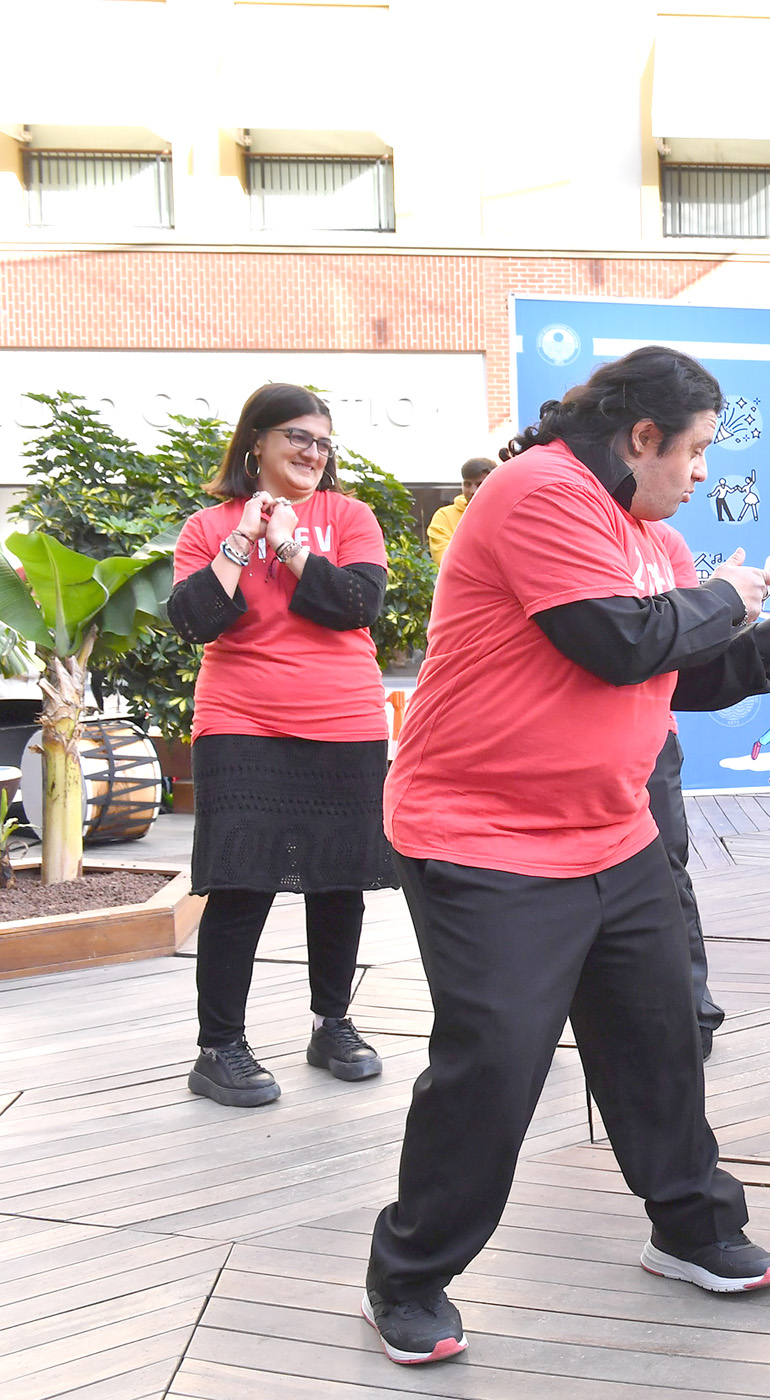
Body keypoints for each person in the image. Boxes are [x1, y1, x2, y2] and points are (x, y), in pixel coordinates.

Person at [364, 347, 770, 1365]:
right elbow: (613, 639)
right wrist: (732, 596)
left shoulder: (658, 538)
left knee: (661, 1039)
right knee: (496, 1065)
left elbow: (675, 671)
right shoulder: (537, 492)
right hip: (485, 839)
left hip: (617, 833)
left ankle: (691, 1227)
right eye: (690, 452)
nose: (698, 475)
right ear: (641, 436)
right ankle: (409, 1274)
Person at [167, 384, 394, 1109]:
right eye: (297, 436)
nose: (311, 452)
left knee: (338, 883)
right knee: (239, 881)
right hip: (241, 721)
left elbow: (357, 607)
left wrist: (290, 545)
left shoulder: (349, 517)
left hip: (344, 719)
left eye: (323, 443)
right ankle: (219, 1047)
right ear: (256, 442)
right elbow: (197, 619)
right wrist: (244, 539)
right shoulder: (207, 527)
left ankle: (333, 1025)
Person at [647, 521, 723, 1056]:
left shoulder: (666, 542)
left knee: (669, 873)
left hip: (652, 740)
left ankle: (695, 1010)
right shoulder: (561, 525)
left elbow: (685, 649)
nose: (697, 472)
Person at [425, 457, 494, 569]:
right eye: (467, 484)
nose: (473, 491)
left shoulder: (506, 514)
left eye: (480, 484)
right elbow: (445, 560)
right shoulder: (444, 516)